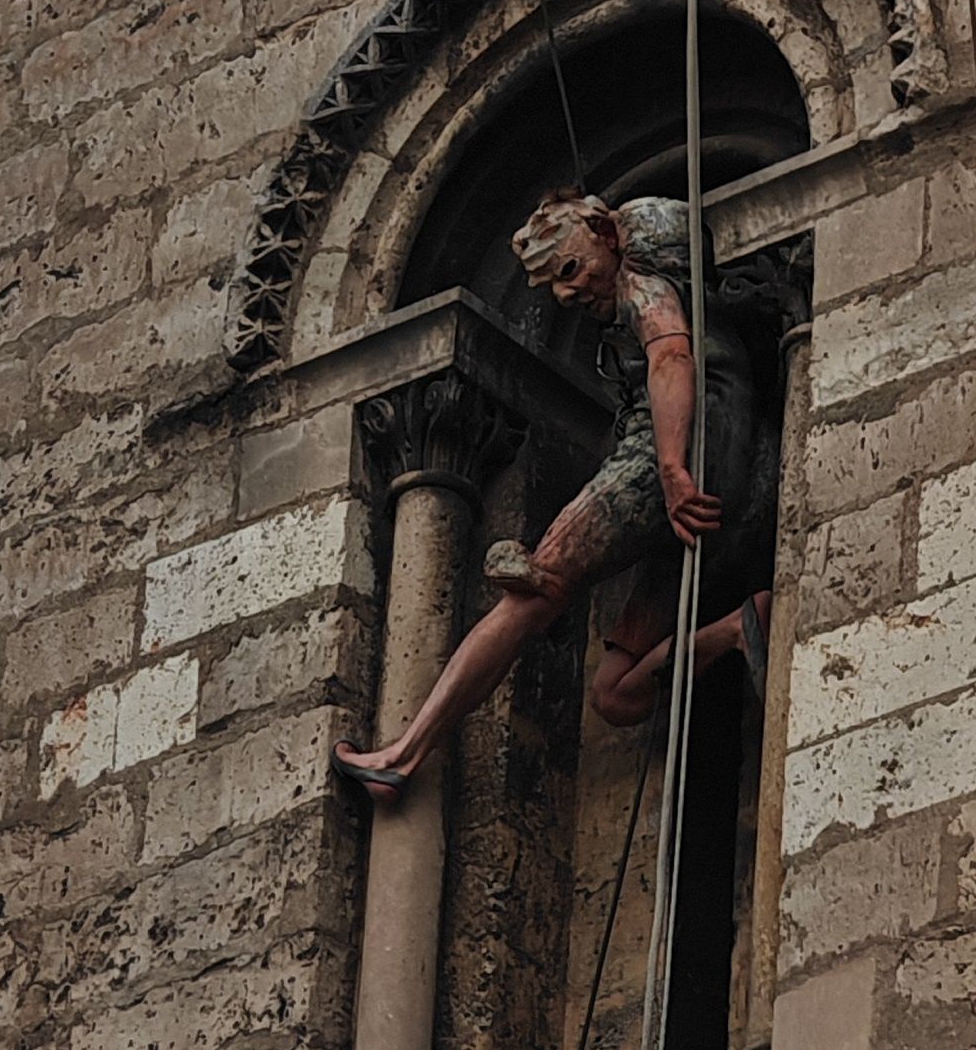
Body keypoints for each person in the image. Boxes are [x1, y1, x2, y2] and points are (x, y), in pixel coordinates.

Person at [332, 189, 776, 798]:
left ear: (606, 232)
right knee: (616, 695)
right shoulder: (641, 283)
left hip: (675, 458)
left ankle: (404, 757)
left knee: (532, 598)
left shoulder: (640, 286)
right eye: (554, 287)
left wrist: (671, 470)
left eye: (570, 270)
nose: (568, 294)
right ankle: (737, 628)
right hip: (726, 471)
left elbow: (672, 357)